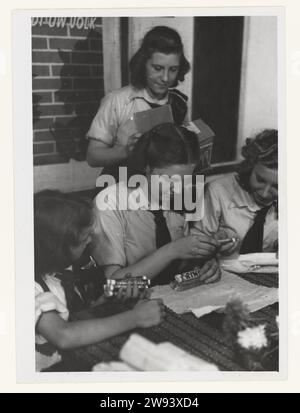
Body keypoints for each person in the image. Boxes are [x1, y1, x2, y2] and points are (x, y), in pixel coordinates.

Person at [34, 190, 164, 372]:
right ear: (57, 247)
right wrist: (135, 318)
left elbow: (73, 314)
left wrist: (104, 301)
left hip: (81, 359)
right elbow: (64, 335)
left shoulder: (70, 269)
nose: (90, 241)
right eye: (83, 238)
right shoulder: (30, 288)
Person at [91, 123, 221, 286]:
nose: (178, 188)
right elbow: (115, 284)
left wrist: (203, 264)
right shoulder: (111, 202)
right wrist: (172, 250)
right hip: (130, 303)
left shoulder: (180, 196)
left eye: (185, 180)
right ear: (146, 167)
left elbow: (180, 265)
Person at [86, 25, 190, 170]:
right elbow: (92, 156)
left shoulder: (179, 103)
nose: (165, 78)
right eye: (158, 68)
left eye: (173, 69)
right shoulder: (117, 101)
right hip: (121, 184)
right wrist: (126, 150)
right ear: (143, 64)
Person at [191, 129, 278, 256]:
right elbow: (195, 245)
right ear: (250, 166)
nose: (264, 193)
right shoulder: (217, 191)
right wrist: (213, 246)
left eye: (277, 187)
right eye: (260, 180)